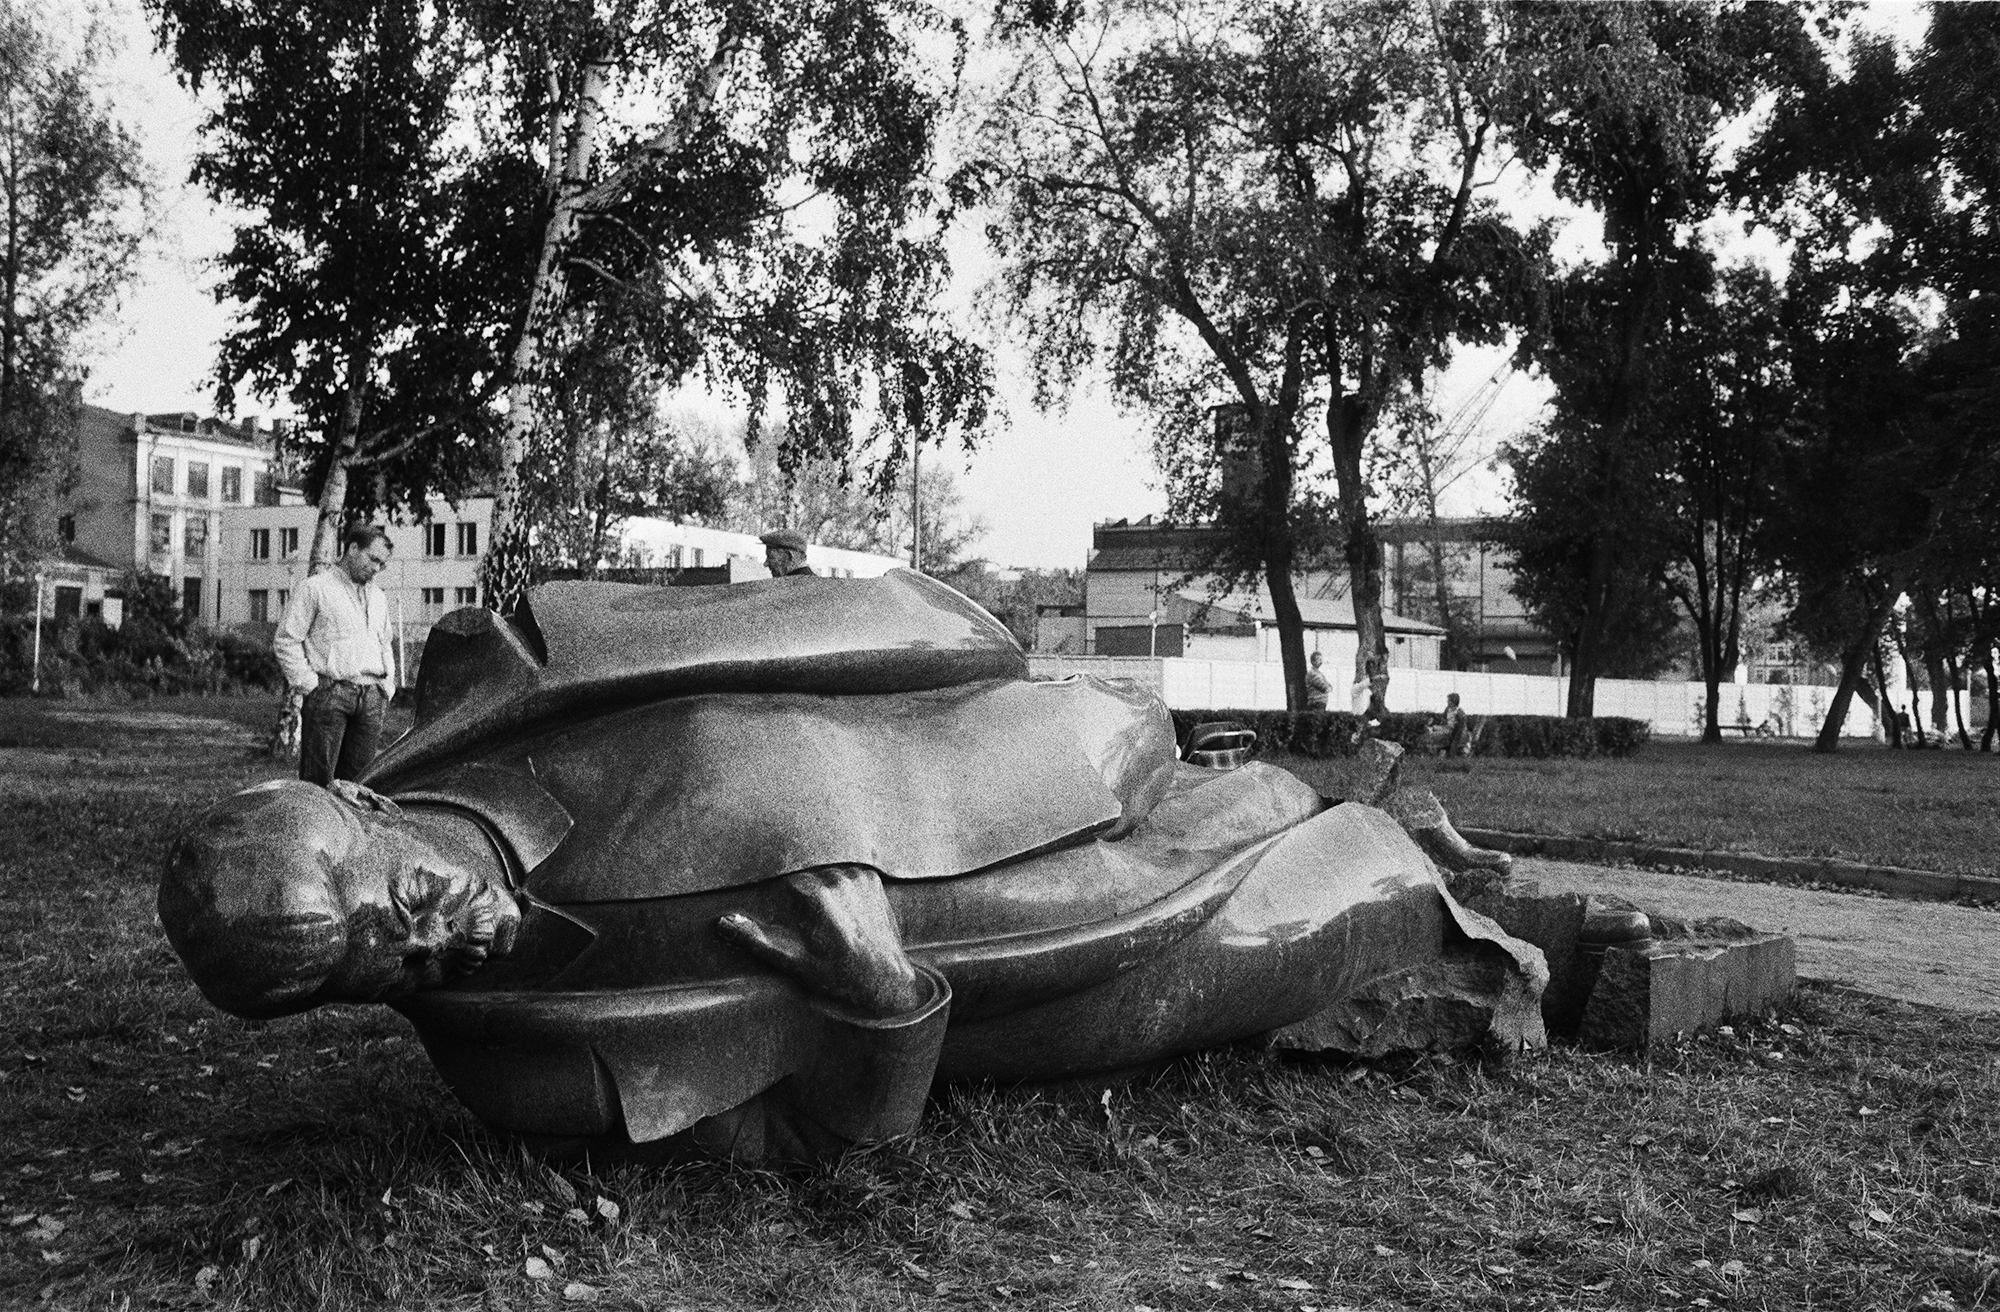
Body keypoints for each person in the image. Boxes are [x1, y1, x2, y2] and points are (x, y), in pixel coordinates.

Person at [162, 571, 1538, 1165]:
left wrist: (950, 637)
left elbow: (776, 622)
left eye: (407, 901)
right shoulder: (525, 1067)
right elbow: (807, 1143)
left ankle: (1363, 819)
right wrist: (884, 1001)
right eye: (387, 974)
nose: (442, 945)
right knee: (1299, 906)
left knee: (1207, 772)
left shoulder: (523, 680)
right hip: (1027, 949)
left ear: (366, 803)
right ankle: (1413, 862)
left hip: (1005, 744)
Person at [273, 524, 398, 786]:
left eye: (382, 564)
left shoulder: (378, 597)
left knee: (358, 787)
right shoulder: (315, 588)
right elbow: (286, 640)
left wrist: (386, 687)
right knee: (317, 785)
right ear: (353, 549)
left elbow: (385, 643)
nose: (376, 569)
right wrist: (309, 684)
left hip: (371, 699)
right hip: (330, 694)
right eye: (372, 559)